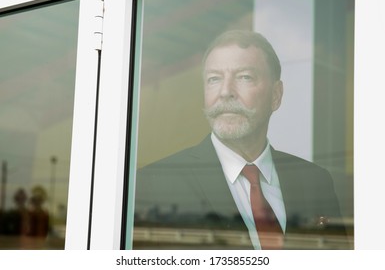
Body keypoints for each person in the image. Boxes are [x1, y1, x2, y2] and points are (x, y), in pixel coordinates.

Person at [133, 30, 347, 250]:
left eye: (245, 77)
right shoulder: (153, 183)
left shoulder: (316, 182)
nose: (226, 92)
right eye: (214, 79)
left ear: (276, 95)